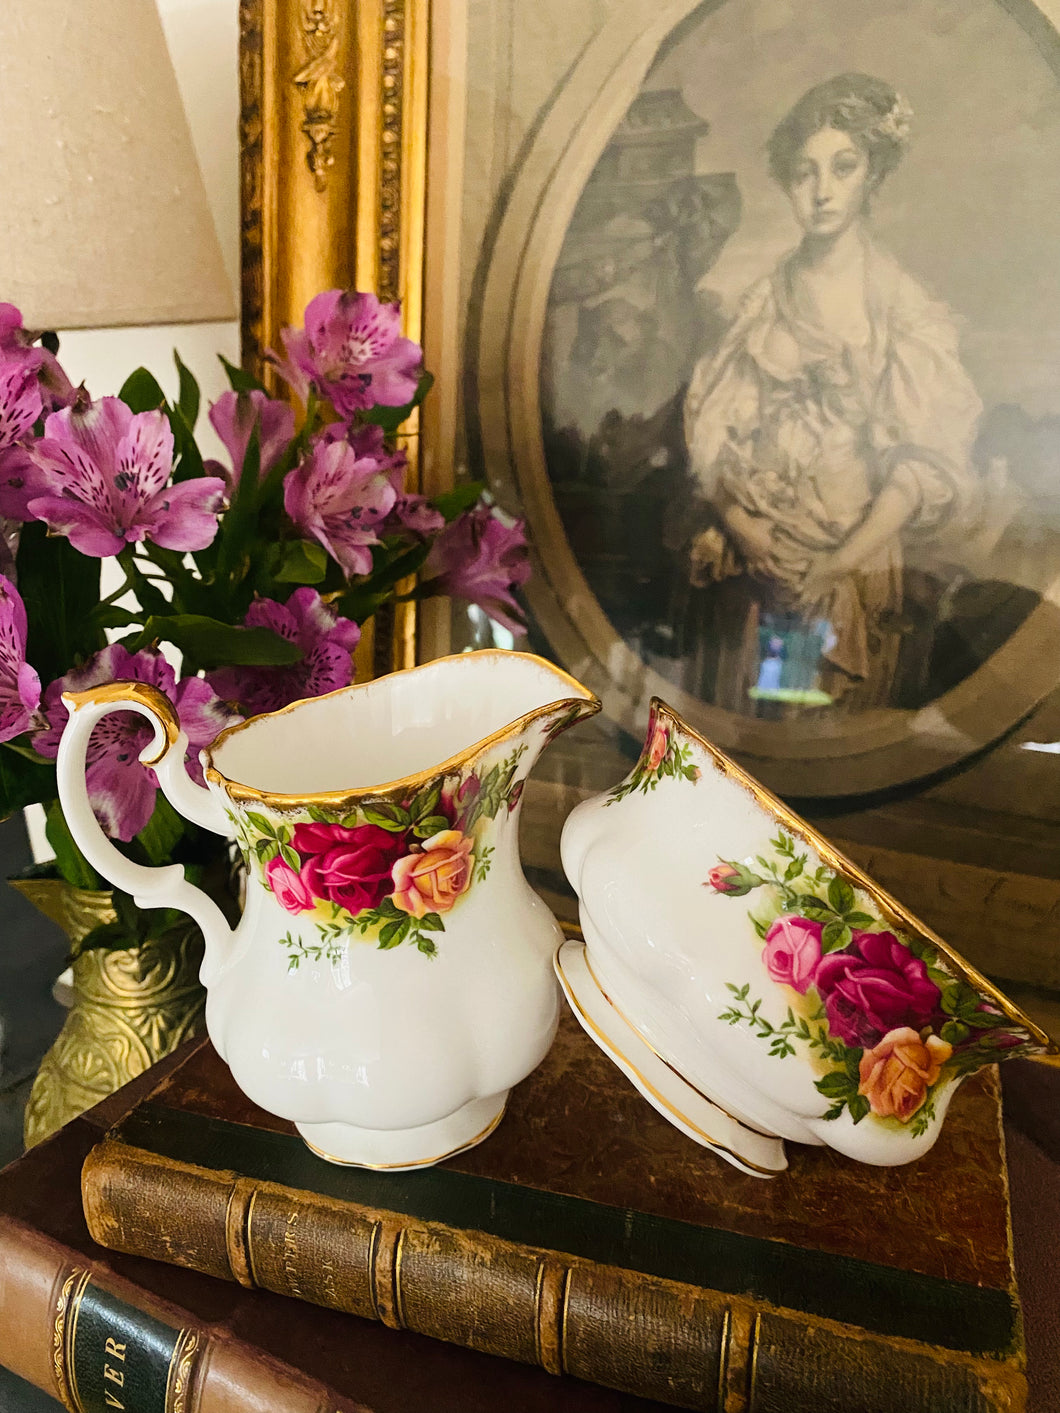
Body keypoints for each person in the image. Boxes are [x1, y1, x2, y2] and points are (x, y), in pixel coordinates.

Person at [683, 73, 983, 710]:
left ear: (872, 174)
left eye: (842, 169)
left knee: (818, 723)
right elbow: (711, 442)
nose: (821, 193)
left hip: (852, 560)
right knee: (750, 732)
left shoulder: (902, 309)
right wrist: (742, 529)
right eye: (803, 173)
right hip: (755, 561)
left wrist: (840, 561)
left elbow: (921, 466)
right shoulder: (763, 301)